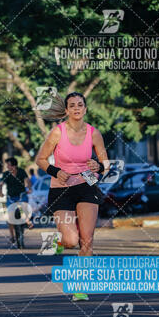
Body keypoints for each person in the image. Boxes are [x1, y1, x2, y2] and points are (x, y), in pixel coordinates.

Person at [36, 91, 109, 302]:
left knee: (87, 240)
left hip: (87, 184)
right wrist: (56, 171)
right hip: (61, 187)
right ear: (66, 110)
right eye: (72, 105)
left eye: (80, 105)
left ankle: (80, 287)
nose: (77, 108)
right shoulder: (57, 133)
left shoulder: (94, 133)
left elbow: (106, 163)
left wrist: (100, 166)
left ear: (85, 108)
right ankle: (61, 240)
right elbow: (40, 159)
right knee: (71, 240)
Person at [0, 157, 33, 248]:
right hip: (11, 198)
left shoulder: (21, 171)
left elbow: (27, 181)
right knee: (10, 216)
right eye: (7, 165)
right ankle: (12, 236)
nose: (7, 167)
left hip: (21, 195)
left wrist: (29, 188)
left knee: (23, 207)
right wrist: (0, 192)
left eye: (8, 165)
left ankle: (28, 221)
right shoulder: (6, 174)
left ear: (14, 166)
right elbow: (1, 184)